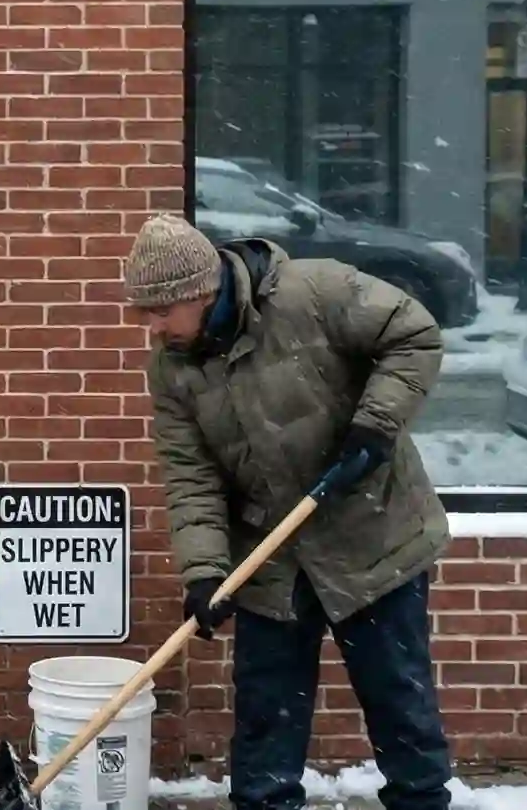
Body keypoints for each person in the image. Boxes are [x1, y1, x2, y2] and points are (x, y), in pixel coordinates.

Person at [125, 212, 455, 810]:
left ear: (198, 294)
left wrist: (376, 425)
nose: (151, 328)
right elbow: (190, 474)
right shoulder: (172, 368)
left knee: (398, 704)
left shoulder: (313, 292)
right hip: (270, 555)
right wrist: (204, 571)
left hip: (372, 533)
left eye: (159, 312)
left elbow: (414, 333)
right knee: (265, 719)